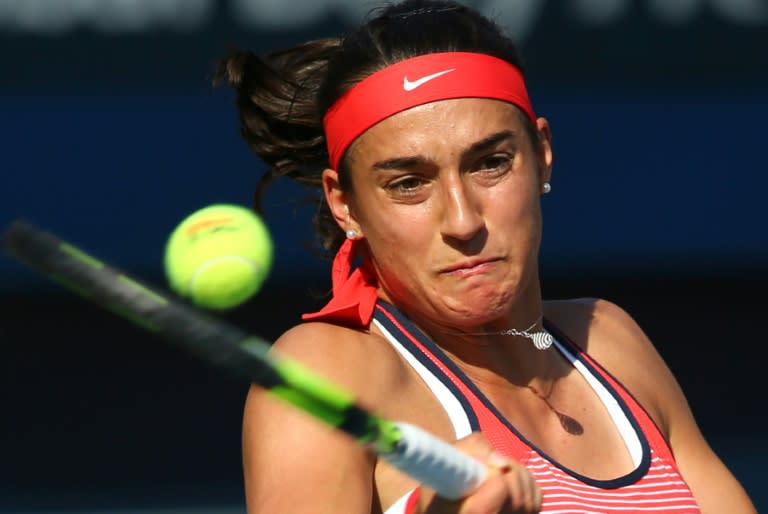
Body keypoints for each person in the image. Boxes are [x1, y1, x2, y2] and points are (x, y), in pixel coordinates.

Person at [215, 1, 757, 512]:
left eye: (490, 163)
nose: (462, 220)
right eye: (408, 183)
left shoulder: (611, 341)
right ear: (345, 205)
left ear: (542, 156)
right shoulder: (324, 376)